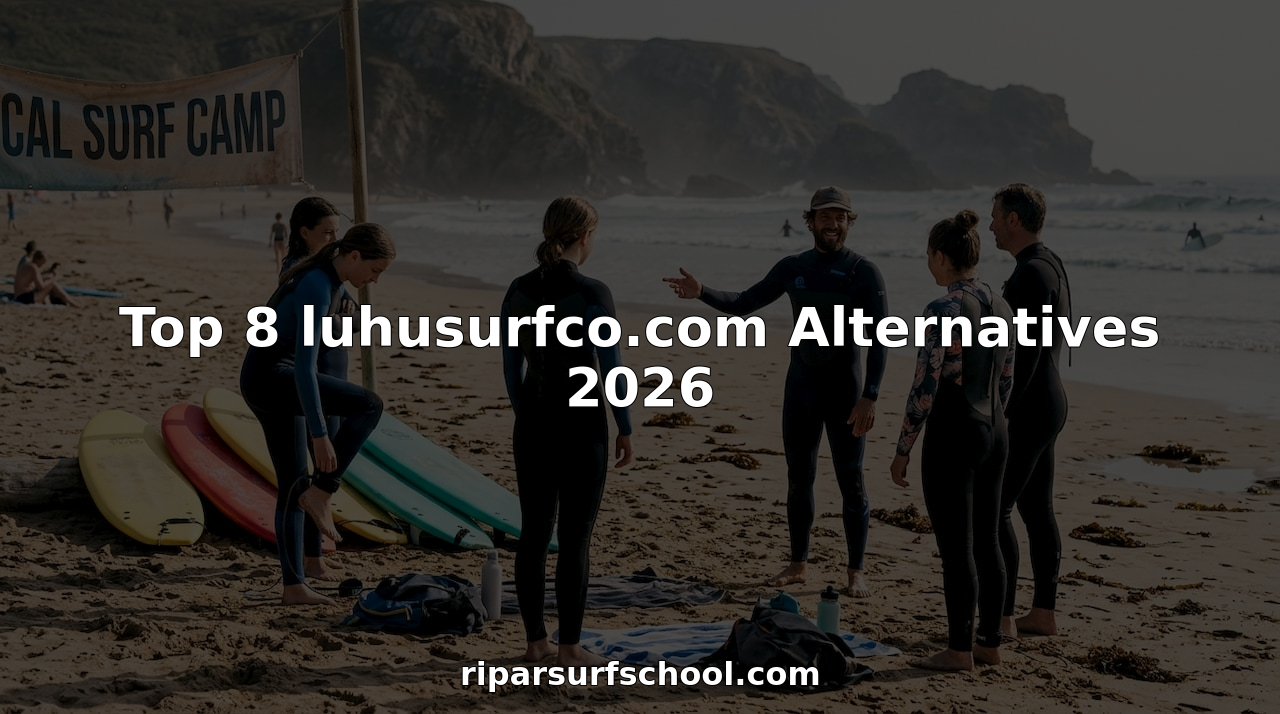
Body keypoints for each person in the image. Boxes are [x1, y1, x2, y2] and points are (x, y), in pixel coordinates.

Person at [664, 185, 889, 597]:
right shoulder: (793, 267)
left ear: (849, 222)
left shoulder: (863, 271)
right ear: (810, 221)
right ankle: (798, 563)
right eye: (825, 216)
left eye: (840, 217)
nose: (833, 224)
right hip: (801, 389)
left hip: (845, 392)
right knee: (798, 478)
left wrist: (870, 396)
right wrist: (702, 292)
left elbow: (879, 339)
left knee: (851, 481)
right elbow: (744, 302)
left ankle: (856, 570)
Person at [501, 196, 633, 665]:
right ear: (584, 236)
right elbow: (611, 366)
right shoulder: (593, 292)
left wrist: (527, 412)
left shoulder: (518, 289)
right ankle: (571, 648)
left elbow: (510, 366)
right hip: (581, 427)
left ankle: (536, 643)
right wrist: (625, 426)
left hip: (533, 424)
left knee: (534, 534)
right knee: (576, 538)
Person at [238, 223, 393, 605]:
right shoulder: (317, 285)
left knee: (294, 484)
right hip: (274, 378)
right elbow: (305, 367)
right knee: (369, 405)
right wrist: (320, 433)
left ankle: (294, 587)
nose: (375, 280)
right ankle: (323, 491)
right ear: (354, 256)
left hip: (263, 379)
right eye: (374, 270)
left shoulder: (330, 281)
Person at [890, 209, 1014, 671]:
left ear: (941, 256)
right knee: (988, 539)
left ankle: (959, 650)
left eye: (929, 255)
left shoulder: (942, 310)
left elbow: (925, 386)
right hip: (994, 429)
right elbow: (1007, 376)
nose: (928, 263)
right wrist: (992, 422)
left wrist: (903, 448)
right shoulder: (1001, 305)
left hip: (955, 431)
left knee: (957, 548)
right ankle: (989, 643)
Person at [989, 183, 1071, 637]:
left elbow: (1027, 354)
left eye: (996, 216)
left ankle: (1002, 617)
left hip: (1032, 405)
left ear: (1014, 220)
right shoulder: (1048, 262)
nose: (991, 225)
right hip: (1048, 400)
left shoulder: (1031, 275)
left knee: (996, 508)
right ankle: (1043, 613)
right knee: (1037, 508)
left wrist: (1003, 411)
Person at [278, 197, 350, 583]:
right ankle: (308, 562)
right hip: (314, 382)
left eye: (337, 232)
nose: (334, 240)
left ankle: (313, 558)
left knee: (323, 474)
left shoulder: (330, 272)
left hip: (334, 377)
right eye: (327, 233)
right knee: (308, 476)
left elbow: (347, 318)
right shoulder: (300, 272)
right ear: (304, 233)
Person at [12, 250, 78, 307]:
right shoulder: (34, 267)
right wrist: (54, 278)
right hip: (25, 299)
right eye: (42, 262)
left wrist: (47, 276)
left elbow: (32, 281)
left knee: (47, 283)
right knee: (52, 284)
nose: (42, 265)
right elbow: (40, 287)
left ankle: (49, 303)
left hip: (19, 297)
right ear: (37, 260)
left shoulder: (27, 265)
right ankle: (73, 303)